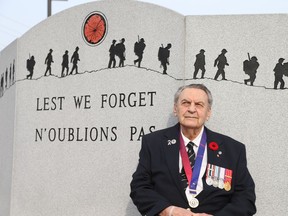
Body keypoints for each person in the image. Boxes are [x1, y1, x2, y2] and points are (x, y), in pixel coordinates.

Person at [130, 84, 256, 216]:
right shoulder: (154, 143)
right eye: (185, 103)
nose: (191, 109)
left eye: (199, 104)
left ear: (208, 113)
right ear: (175, 109)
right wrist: (169, 211)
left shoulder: (233, 149)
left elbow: (245, 197)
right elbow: (140, 187)